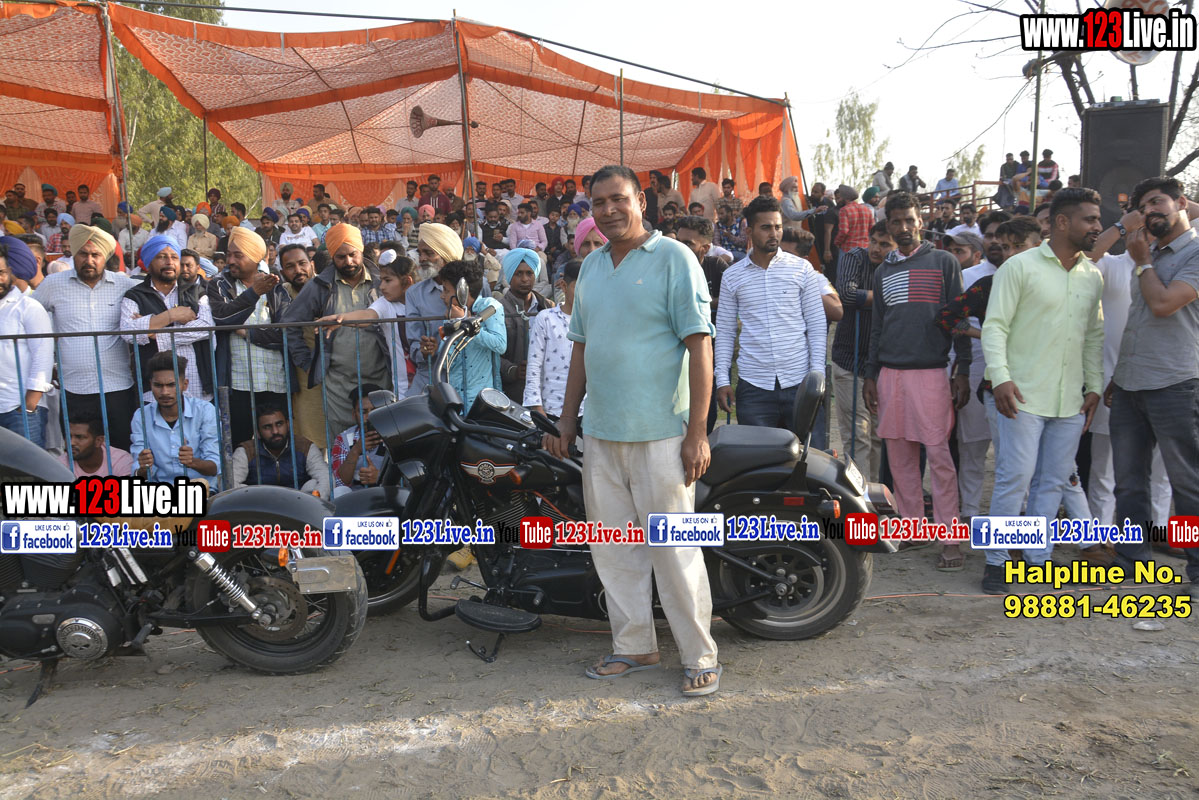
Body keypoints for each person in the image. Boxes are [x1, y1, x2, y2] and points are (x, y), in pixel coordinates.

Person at [545, 165, 720, 697]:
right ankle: (635, 645)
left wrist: (697, 432)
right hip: (601, 434)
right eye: (598, 203)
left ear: (641, 201)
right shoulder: (592, 268)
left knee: (674, 550)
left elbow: (700, 346)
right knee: (615, 550)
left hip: (662, 433)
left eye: (618, 199)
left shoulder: (675, 258)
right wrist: (567, 419)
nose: (608, 211)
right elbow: (581, 349)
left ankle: (699, 655)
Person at [979, 188, 1104, 594]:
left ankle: (1037, 559)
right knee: (1015, 478)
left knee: (1052, 481)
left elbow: (1093, 336)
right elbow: (995, 326)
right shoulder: (1019, 267)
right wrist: (1000, 377)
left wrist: (1094, 386)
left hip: (1070, 400)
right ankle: (997, 561)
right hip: (1022, 395)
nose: (1098, 227)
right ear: (1063, 222)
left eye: (1098, 219)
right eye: (1090, 219)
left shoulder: (1092, 275)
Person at [863, 191, 972, 572]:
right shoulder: (883, 271)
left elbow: (959, 319)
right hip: (890, 374)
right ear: (888, 225)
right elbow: (878, 327)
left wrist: (963, 369)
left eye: (910, 220)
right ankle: (912, 527)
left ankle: (950, 538)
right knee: (900, 457)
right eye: (896, 222)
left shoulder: (943, 262)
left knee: (939, 457)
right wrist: (871, 374)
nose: (904, 227)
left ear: (920, 221)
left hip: (931, 372)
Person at [1108, 177, 1199, 595]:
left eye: (1157, 202)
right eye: (1142, 207)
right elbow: (1139, 320)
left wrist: (1143, 263)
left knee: (1187, 482)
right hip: (1131, 383)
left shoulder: (1193, 252)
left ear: (1182, 203)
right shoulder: (1148, 251)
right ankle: (1131, 562)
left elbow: (1163, 305)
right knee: (1128, 482)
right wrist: (1119, 374)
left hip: (1176, 383)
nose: (1149, 211)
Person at [1083, 205, 1172, 534]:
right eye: (1143, 220)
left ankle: (1157, 531)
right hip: (1113, 382)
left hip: (1166, 381)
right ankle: (1101, 534)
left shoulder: (1176, 264)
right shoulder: (1112, 264)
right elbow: (1085, 256)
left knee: (1163, 469)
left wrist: (1172, 205)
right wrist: (1121, 226)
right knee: (1105, 468)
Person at [714, 195, 826, 431]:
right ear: (749, 231)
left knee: (808, 453)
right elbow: (725, 331)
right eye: (766, 228)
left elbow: (816, 324)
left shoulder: (802, 269)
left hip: (800, 381)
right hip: (754, 386)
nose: (774, 234)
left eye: (778, 227)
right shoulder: (732, 276)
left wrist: (817, 375)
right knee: (759, 454)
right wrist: (722, 379)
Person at [935, 211, 1013, 518]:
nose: (996, 242)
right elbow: (948, 319)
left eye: (1003, 237)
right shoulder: (971, 278)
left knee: (1014, 453)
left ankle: (1017, 514)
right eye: (990, 235)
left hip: (1024, 373)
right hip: (979, 367)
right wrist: (978, 343)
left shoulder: (1032, 275)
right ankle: (969, 512)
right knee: (973, 446)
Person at [33, 224, 138, 449]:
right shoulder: (53, 284)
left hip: (117, 387)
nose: (89, 260)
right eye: (83, 254)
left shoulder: (124, 285)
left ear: (105, 258)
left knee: (121, 449)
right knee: (78, 452)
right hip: (75, 388)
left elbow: (153, 296)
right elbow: (28, 313)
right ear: (74, 254)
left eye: (95, 255)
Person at [282, 223, 390, 438]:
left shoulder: (381, 281)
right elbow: (290, 323)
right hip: (338, 384)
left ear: (361, 251)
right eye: (341, 257)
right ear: (332, 256)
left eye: (352, 255)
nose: (348, 261)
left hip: (381, 378)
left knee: (384, 437)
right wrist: (306, 362)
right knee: (343, 443)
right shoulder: (320, 286)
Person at [205, 227, 290, 446]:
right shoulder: (219, 284)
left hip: (274, 381)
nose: (230, 261)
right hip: (238, 384)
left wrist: (247, 332)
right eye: (229, 255)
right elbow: (223, 319)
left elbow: (285, 333)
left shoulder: (275, 287)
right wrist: (253, 294)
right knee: (239, 445)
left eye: (238, 255)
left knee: (277, 443)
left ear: (255, 258)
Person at [831, 221, 896, 480]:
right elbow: (847, 295)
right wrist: (886, 297)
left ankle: (873, 492)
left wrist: (868, 298)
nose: (876, 249)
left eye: (885, 244)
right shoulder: (855, 257)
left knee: (878, 435)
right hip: (850, 359)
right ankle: (858, 495)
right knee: (858, 435)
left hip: (882, 364)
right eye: (874, 242)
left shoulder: (897, 266)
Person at [120, 234, 214, 401]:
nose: (169, 262)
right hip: (154, 391)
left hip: (196, 385)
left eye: (174, 257)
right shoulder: (135, 296)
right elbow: (128, 332)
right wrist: (172, 315)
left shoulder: (195, 291)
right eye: (162, 257)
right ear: (149, 263)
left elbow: (206, 327)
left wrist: (156, 333)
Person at [405, 222, 493, 397]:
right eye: (420, 253)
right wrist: (425, 350)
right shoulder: (414, 293)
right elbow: (414, 344)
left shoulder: (478, 284)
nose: (421, 259)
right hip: (432, 377)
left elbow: (489, 329)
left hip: (472, 377)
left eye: (429, 253)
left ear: (446, 254)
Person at [131, 351, 220, 484]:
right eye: (158, 385)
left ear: (185, 384)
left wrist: (193, 462)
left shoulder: (205, 411)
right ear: (151, 385)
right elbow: (139, 473)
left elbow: (215, 467)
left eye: (171, 385)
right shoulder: (141, 416)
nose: (164, 392)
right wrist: (143, 468)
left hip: (202, 487)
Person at [433, 259, 505, 410]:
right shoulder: (452, 316)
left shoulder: (489, 306)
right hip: (455, 399)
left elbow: (500, 344)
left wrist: (466, 323)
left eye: (446, 290)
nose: (442, 296)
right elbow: (445, 362)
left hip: (482, 401)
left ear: (462, 291)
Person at [0, 240, 52, 446]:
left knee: (25, 466)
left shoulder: (28, 307)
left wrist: (29, 406)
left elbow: (43, 357)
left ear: (10, 273)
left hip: (19, 410)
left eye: (1, 272)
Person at [525, 259, 582, 420]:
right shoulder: (546, 319)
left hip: (589, 413)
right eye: (578, 287)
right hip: (553, 410)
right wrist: (537, 408)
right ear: (563, 286)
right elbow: (534, 364)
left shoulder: (595, 321)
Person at [231, 405, 329, 498]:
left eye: (279, 424)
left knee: (314, 484)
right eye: (267, 427)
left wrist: (313, 503)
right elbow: (230, 482)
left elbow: (325, 476)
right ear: (257, 432)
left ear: (288, 425)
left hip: (299, 503)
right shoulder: (246, 451)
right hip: (259, 504)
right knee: (238, 488)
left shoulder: (304, 446)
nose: (275, 431)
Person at [498, 248, 554, 402]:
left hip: (546, 388)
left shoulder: (548, 307)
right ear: (510, 276)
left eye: (529, 273)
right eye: (518, 274)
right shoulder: (498, 309)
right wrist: (513, 370)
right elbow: (491, 355)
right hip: (513, 392)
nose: (524, 279)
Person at [330, 384, 387, 497]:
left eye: (374, 410)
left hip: (387, 494)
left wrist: (380, 477)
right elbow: (340, 483)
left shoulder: (395, 434)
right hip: (356, 499)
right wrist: (356, 450)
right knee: (339, 492)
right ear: (354, 414)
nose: (369, 417)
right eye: (363, 412)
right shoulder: (344, 439)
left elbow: (408, 478)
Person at [59, 414, 134, 477]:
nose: (71, 443)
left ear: (98, 441)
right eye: (68, 436)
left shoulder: (120, 460)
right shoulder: (61, 464)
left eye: (80, 437)